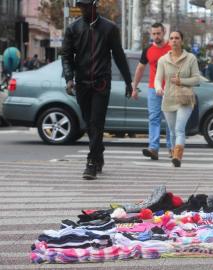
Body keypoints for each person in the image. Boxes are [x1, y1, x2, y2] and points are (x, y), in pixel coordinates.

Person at [62, 0, 132, 180]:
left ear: (95, 6)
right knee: (88, 122)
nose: (83, 9)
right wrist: (69, 78)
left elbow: (118, 55)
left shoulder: (110, 28)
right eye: (81, 6)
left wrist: (128, 81)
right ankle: (98, 151)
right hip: (82, 83)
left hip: (101, 83)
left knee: (96, 122)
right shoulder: (73, 29)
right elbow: (67, 56)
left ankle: (91, 162)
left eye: (86, 6)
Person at [154, 31, 200, 167]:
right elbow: (158, 78)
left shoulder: (191, 58)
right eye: (172, 38)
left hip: (185, 99)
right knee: (172, 130)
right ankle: (174, 153)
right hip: (168, 98)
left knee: (179, 129)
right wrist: (158, 88)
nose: (174, 40)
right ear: (169, 42)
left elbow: (197, 79)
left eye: (177, 38)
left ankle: (178, 157)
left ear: (182, 41)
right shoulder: (163, 60)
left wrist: (182, 81)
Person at [132, 22, 172, 160]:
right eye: (153, 34)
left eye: (158, 33)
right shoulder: (148, 50)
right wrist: (134, 87)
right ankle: (153, 148)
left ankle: (172, 148)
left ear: (164, 32)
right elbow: (140, 69)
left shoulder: (172, 48)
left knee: (170, 119)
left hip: (171, 89)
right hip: (153, 89)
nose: (156, 36)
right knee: (153, 118)